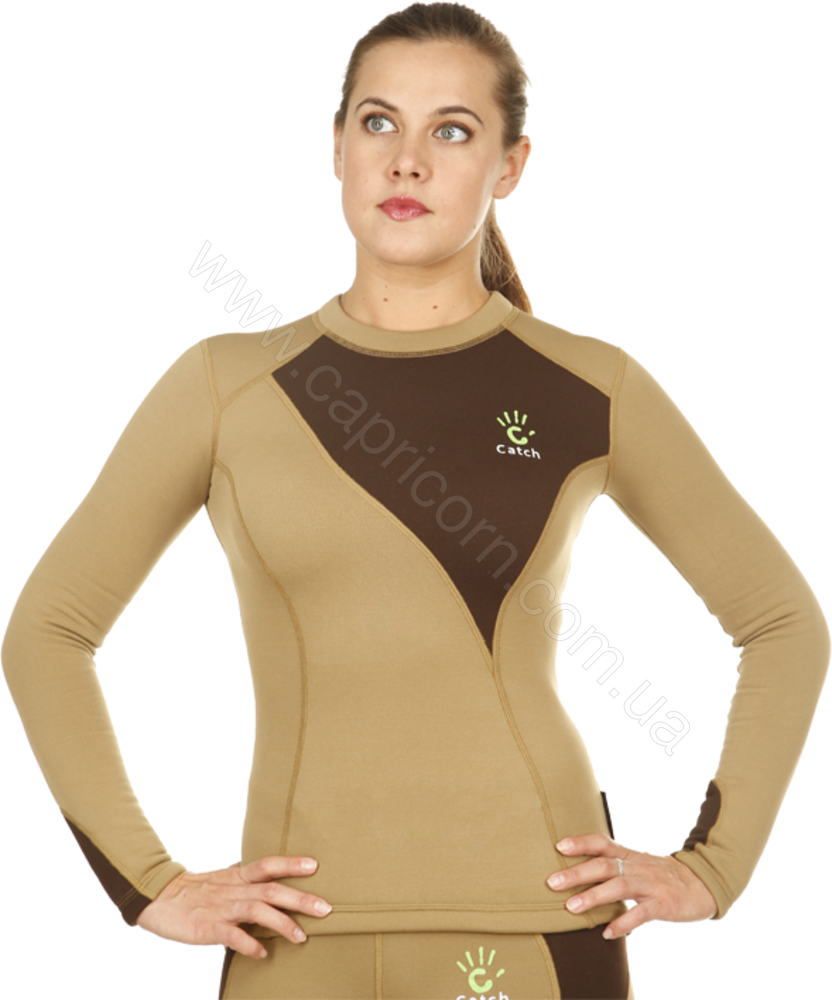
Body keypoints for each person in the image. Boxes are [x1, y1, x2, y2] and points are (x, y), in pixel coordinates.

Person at [2, 3, 828, 998]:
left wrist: (714, 865)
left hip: (537, 923)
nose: (406, 161)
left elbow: (782, 622)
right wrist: (148, 883)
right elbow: (48, 631)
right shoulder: (225, 385)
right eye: (378, 122)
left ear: (510, 165)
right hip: (295, 938)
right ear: (337, 148)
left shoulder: (589, 385)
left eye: (453, 130)